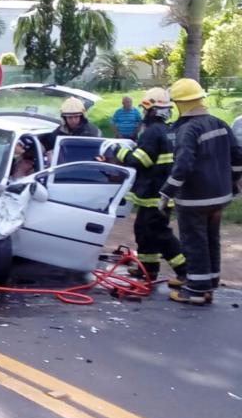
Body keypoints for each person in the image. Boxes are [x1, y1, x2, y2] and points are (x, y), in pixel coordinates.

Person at [159, 78, 242, 304]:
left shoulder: (187, 129)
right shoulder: (219, 123)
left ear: (180, 104)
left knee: (194, 243)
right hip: (220, 197)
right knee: (211, 240)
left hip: (194, 200)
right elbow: (238, 158)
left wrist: (166, 193)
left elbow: (183, 166)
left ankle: (195, 291)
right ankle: (209, 284)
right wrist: (233, 181)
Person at [101, 88, 187, 286]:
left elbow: (141, 161)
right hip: (160, 193)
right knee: (143, 230)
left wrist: (120, 152)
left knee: (159, 233)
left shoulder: (152, 132)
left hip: (155, 195)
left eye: (144, 109)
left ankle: (185, 271)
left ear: (151, 110)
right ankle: (148, 269)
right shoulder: (168, 130)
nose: (142, 113)